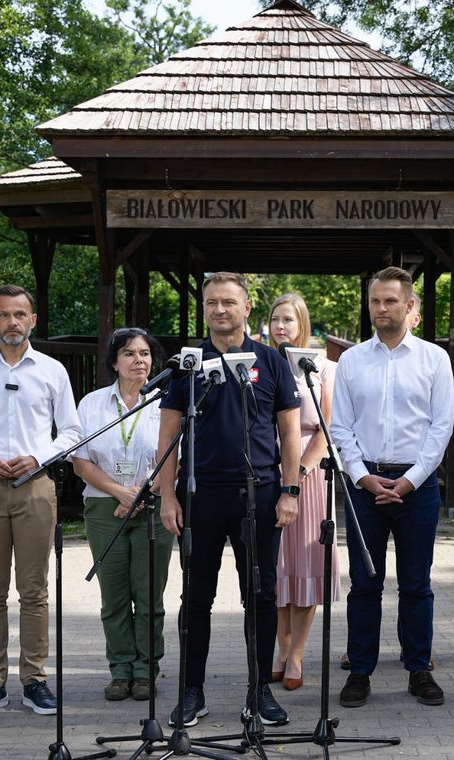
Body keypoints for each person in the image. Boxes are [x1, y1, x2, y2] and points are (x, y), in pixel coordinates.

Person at [157, 271, 302, 727]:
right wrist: (167, 497)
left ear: (246, 308)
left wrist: (290, 490)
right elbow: (169, 437)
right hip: (200, 495)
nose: (219, 310)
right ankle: (192, 691)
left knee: (260, 596)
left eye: (228, 302)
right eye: (212, 303)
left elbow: (290, 432)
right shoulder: (187, 362)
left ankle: (258, 692)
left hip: (259, 494)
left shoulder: (272, 362)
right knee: (196, 598)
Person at [0, 284, 82, 719]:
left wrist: (38, 456)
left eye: (19, 315)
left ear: (33, 320)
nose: (11, 323)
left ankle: (35, 680)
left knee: (34, 591)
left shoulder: (51, 371)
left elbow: (71, 431)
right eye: (4, 315)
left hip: (35, 487)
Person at [330, 266, 454, 709]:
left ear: (410, 305)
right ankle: (360, 671)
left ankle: (418, 669)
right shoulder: (351, 360)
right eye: (375, 302)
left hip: (416, 487)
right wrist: (362, 476)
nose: (381, 309)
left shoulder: (434, 359)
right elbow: (339, 427)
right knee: (364, 583)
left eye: (390, 301)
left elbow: (441, 428)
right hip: (364, 485)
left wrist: (409, 481)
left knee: (416, 584)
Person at [71, 327, 174, 703]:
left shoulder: (167, 401)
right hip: (104, 506)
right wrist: (119, 492)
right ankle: (120, 670)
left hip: (156, 504)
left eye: (145, 354)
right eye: (129, 354)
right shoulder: (92, 404)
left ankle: (147, 671)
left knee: (149, 597)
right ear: (114, 362)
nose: (138, 361)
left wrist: (144, 494)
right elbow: (80, 461)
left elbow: (176, 457)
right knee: (113, 596)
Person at [266, 293, 339, 691]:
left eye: (288, 320)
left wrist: (299, 472)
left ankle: (297, 653)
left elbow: (327, 428)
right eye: (275, 319)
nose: (281, 327)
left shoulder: (324, 368)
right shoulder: (262, 364)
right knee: (276, 567)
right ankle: (281, 647)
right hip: (268, 473)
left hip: (310, 479)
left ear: (302, 325)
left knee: (306, 564)